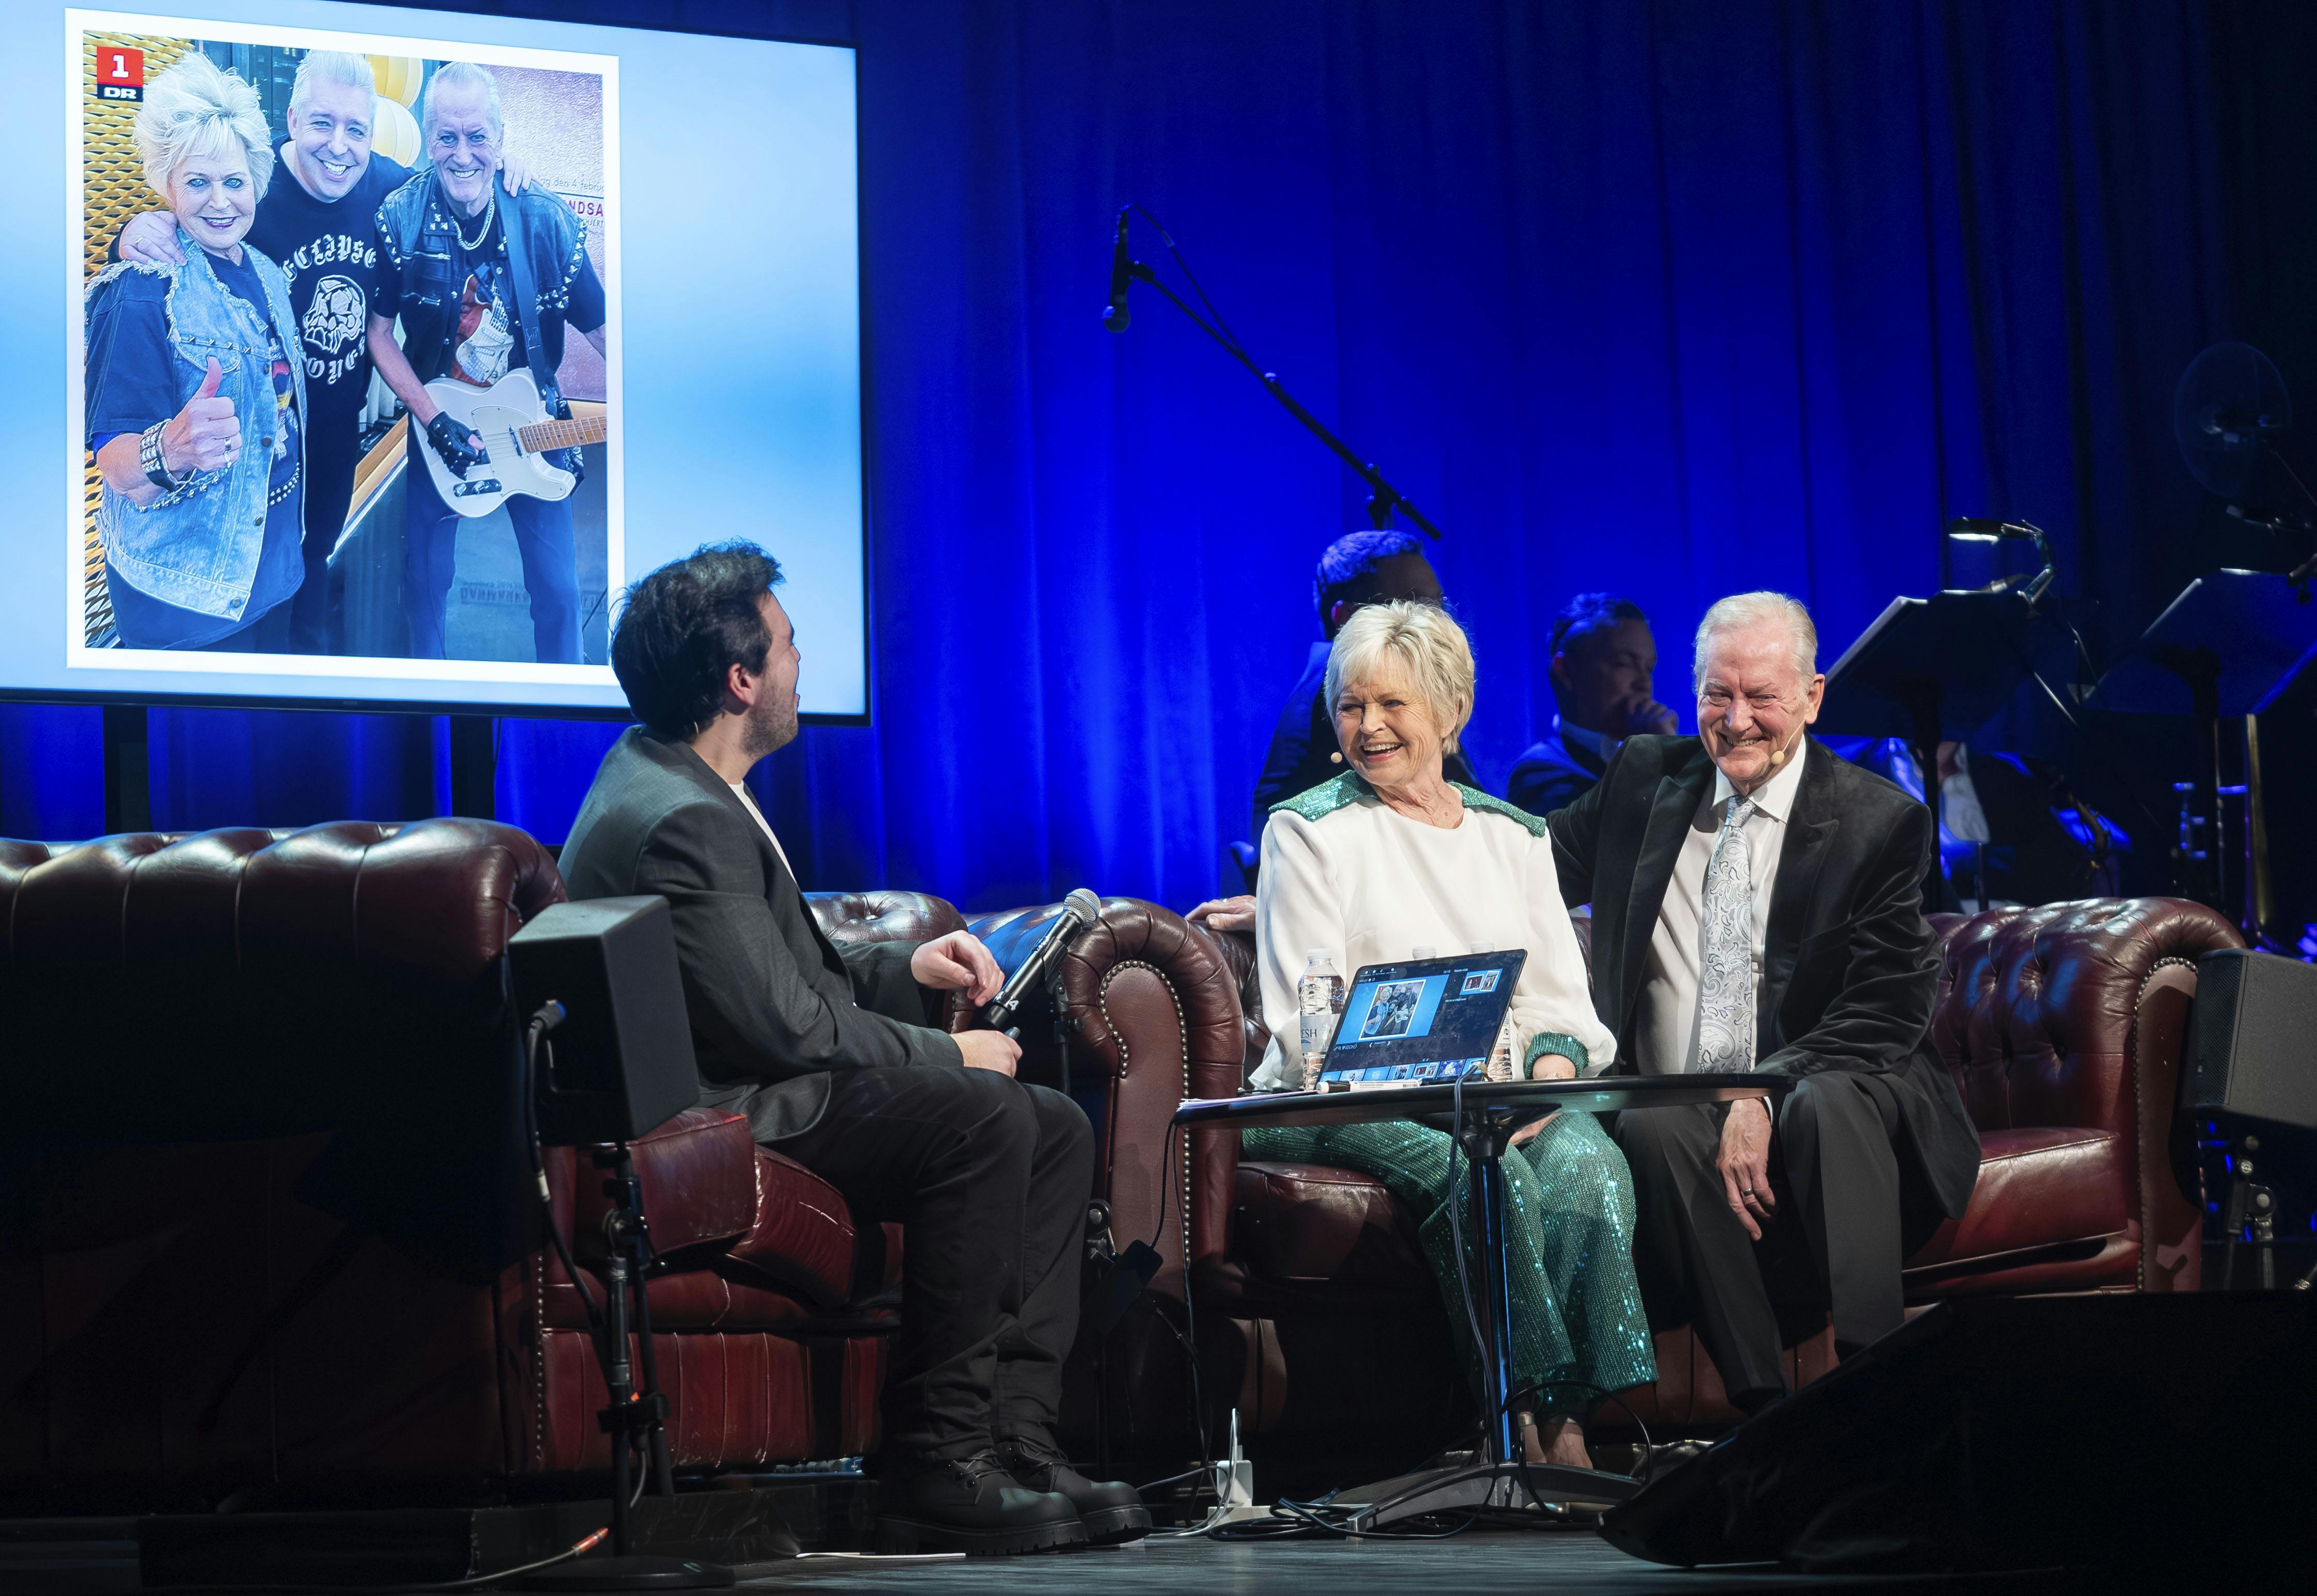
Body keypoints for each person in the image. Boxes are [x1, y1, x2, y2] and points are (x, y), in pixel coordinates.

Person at [557, 542, 1144, 1556]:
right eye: (786, 644)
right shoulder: (679, 817)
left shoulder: (688, 782)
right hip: (728, 1108)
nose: (800, 659)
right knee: (985, 1113)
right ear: (740, 681)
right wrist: (947, 1058)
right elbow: (782, 1028)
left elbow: (787, 981)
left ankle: (1016, 1440)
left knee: (1050, 1122)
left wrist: (905, 975)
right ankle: (936, 1458)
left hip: (766, 1076)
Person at [1546, 592, 1981, 1413]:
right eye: (1718, 694)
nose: (1737, 720)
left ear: (1813, 698)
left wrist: (1763, 1088)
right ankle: (1763, 1411)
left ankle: (1881, 1385)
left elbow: (1886, 1007)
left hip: (1840, 1086)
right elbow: (1518, 866)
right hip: (1682, 1093)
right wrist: (1331, 884)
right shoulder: (1644, 778)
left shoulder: (1878, 820)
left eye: (1762, 697)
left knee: (1820, 1101)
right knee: (1651, 1118)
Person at [1240, 600, 1652, 1467]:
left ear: (1449, 711)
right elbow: (1301, 1024)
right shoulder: (1308, 831)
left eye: (1392, 705)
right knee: (1482, 1172)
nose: (1368, 725)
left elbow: (1558, 1008)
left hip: (1496, 1096)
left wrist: (1541, 1077)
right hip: (1330, 1101)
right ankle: (1521, 1414)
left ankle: (1577, 1416)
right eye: (1351, 706)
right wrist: (1453, 1089)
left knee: (1588, 1160)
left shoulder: (1513, 835)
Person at [112, 52, 527, 654]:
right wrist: (135, 232)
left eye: (356, 129)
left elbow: (461, 177)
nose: (339, 147)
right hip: (241, 446)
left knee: (309, 579)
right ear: (291, 118)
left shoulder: (388, 187)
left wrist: (509, 168)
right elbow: (172, 237)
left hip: (330, 434)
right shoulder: (247, 182)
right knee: (242, 606)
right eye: (321, 124)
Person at [369, 61, 606, 665]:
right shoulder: (400, 215)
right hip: (438, 426)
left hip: (534, 431)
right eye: (447, 137)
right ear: (428, 139)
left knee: (557, 595)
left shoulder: (543, 219)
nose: (463, 154)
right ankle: (432, 731)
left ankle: (561, 724)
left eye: (478, 137)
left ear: (501, 141)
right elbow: (379, 335)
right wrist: (431, 418)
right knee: (423, 593)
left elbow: (605, 332)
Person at [85, 54, 307, 653]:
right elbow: (116, 462)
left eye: (234, 181)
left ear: (255, 182)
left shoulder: (266, 272)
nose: (220, 202)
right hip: (185, 601)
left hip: (273, 573)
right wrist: (172, 449)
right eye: (197, 181)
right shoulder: (141, 287)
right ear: (167, 184)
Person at [1250, 529, 1480, 845]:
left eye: (1436, 605)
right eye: (1411, 605)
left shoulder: (1414, 684)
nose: (1431, 622)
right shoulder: (1326, 702)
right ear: (1344, 618)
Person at [1508, 594, 1678, 817]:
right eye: (1624, 664)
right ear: (1566, 672)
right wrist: (1658, 758)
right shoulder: (1538, 773)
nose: (1644, 683)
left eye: (1648, 668)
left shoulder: (1631, 754)